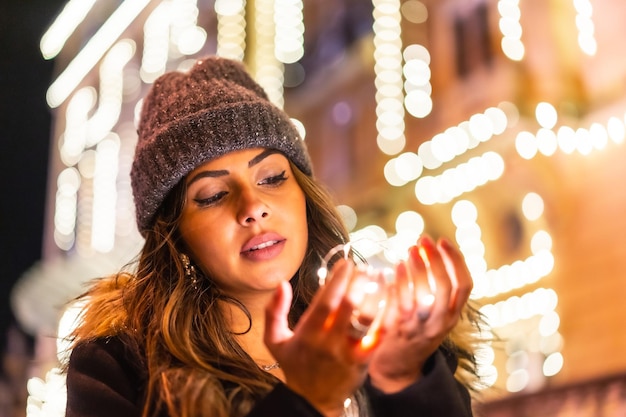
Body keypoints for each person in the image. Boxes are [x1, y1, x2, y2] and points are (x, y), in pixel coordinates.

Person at [62, 55, 483, 417]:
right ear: (175, 236)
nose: (253, 207)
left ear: (304, 195)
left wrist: (404, 378)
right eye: (211, 196)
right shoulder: (119, 367)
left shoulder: (381, 334)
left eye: (272, 177)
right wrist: (305, 399)